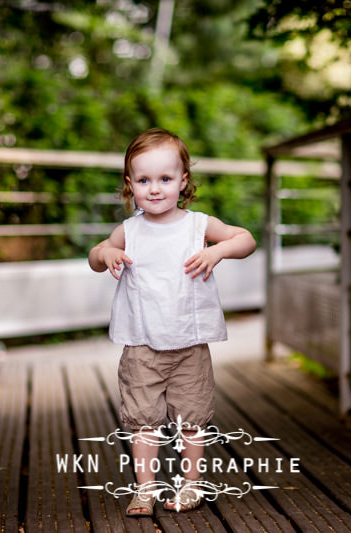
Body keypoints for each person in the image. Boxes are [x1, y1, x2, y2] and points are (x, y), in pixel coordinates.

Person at [88, 128, 256, 516]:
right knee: (143, 420)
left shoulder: (198, 226)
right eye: (144, 180)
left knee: (192, 417)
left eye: (165, 178)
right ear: (130, 185)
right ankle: (145, 490)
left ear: (183, 181)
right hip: (142, 344)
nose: (156, 189)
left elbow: (246, 239)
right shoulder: (129, 230)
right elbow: (95, 255)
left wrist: (220, 252)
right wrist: (109, 252)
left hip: (189, 342)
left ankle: (191, 485)